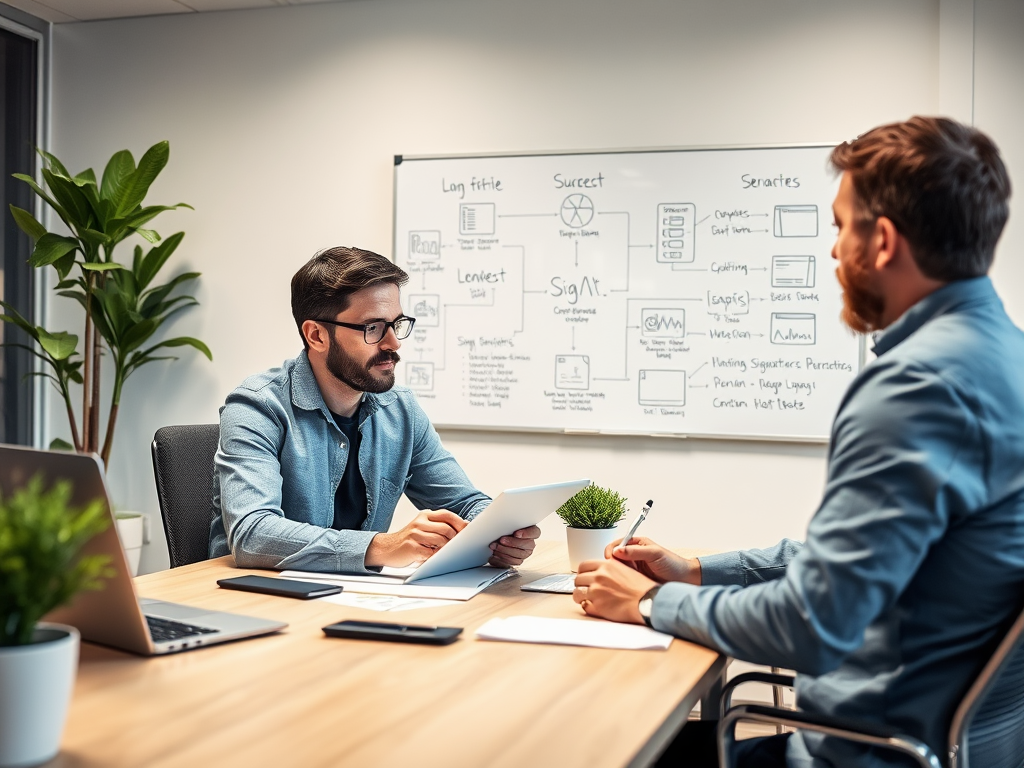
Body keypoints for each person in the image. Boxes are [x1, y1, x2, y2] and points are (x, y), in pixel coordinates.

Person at [573, 117, 1024, 767]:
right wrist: (695, 570)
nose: (835, 251)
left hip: (870, 753)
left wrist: (648, 601)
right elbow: (848, 563)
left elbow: (813, 624)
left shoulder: (916, 387)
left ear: (885, 242)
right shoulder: (1001, 361)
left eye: (841, 226)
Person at [210, 246, 539, 572]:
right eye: (373, 328)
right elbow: (252, 534)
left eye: (397, 324)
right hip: (256, 597)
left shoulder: (401, 410)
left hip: (354, 595)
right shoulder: (256, 407)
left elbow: (465, 503)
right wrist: (385, 546)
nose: (394, 343)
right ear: (316, 335)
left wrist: (497, 537)